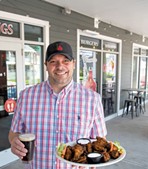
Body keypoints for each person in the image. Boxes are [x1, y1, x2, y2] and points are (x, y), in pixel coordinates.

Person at [8, 41, 107, 169]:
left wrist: (93, 160)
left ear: (74, 64)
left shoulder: (93, 99)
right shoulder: (26, 96)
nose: (60, 66)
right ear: (46, 65)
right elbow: (13, 133)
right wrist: (14, 142)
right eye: (53, 61)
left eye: (66, 61)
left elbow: (100, 141)